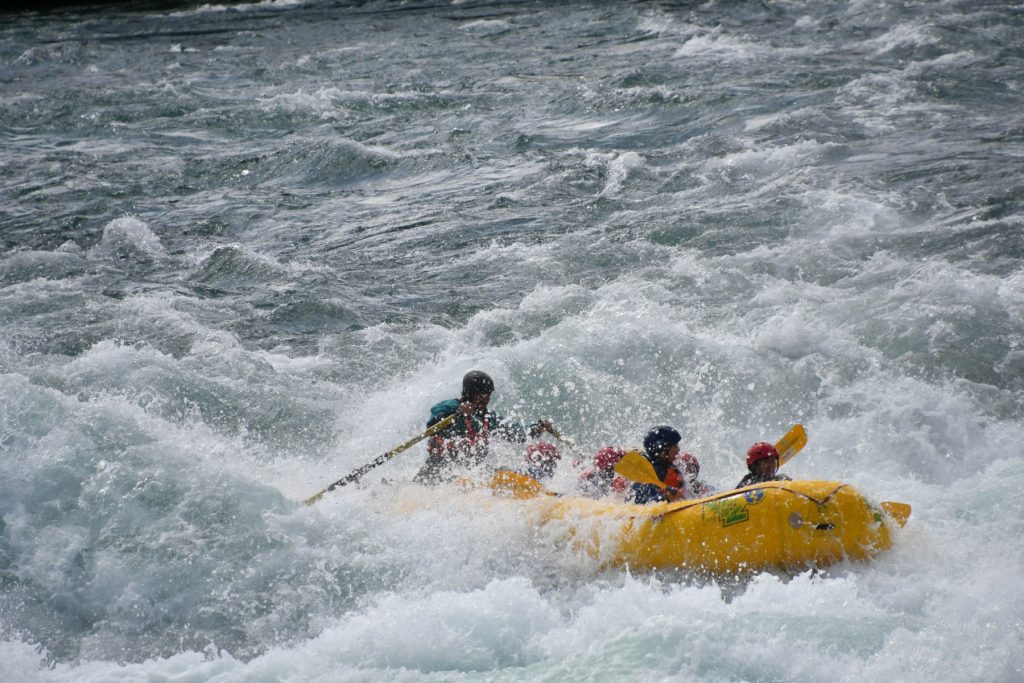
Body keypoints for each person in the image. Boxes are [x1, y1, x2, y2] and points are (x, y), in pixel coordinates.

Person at [414, 370, 554, 484]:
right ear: (469, 394)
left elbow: (516, 433)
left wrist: (537, 427)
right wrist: (457, 412)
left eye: (489, 395)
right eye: (482, 395)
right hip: (437, 471)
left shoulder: (487, 418)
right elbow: (433, 422)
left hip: (469, 473)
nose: (486, 400)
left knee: (502, 472)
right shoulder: (451, 407)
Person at [627, 426, 690, 504]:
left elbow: (688, 490)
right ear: (662, 449)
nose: (678, 450)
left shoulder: (670, 467)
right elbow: (635, 503)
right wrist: (664, 498)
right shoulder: (644, 472)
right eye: (675, 446)